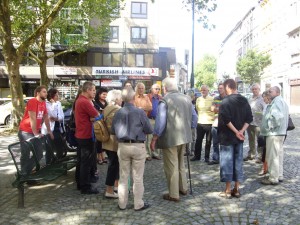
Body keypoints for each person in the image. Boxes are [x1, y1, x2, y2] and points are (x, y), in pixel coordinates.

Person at [150, 77, 197, 202]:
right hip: (184, 136)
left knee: (171, 166)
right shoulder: (186, 98)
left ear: (165, 88)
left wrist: (154, 138)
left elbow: (160, 122)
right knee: (181, 163)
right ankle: (183, 188)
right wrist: (189, 128)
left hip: (170, 137)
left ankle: (174, 194)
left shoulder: (165, 100)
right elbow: (194, 117)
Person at [111, 87, 153, 211]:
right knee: (138, 177)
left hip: (123, 145)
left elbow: (113, 131)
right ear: (133, 97)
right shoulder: (140, 112)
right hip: (137, 145)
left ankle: (122, 204)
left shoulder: (118, 112)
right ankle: (138, 204)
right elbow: (149, 129)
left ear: (123, 99)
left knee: (123, 177)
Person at [218, 79, 252, 199]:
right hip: (239, 137)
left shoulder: (225, 101)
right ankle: (237, 189)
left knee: (227, 162)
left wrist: (237, 131)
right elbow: (249, 118)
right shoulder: (244, 100)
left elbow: (226, 119)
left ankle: (228, 190)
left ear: (228, 87)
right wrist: (241, 131)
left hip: (227, 137)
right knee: (238, 161)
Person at [18, 85, 54, 175]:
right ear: (38, 93)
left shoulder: (43, 103)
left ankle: (24, 172)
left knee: (39, 153)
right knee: (25, 154)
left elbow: (46, 117)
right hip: (25, 131)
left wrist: (49, 131)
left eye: (46, 92)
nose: (46, 93)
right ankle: (24, 176)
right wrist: (35, 133)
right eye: (44, 92)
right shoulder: (33, 101)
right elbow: (32, 118)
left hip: (34, 132)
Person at [75, 81, 102, 194]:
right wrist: (96, 117)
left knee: (81, 161)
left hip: (81, 134)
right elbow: (97, 115)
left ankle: (80, 183)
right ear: (88, 90)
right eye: (93, 90)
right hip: (86, 135)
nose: (95, 92)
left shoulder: (80, 100)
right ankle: (85, 186)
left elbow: (92, 117)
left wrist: (92, 118)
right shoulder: (85, 102)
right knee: (86, 162)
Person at [260, 85, 289, 185]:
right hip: (280, 133)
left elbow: (278, 117)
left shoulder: (276, 102)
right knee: (278, 155)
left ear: (277, 93)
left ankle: (273, 178)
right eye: (269, 91)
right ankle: (279, 175)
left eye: (271, 91)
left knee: (273, 156)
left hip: (274, 133)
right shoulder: (282, 101)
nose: (269, 93)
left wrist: (269, 126)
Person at [102, 90, 122, 199]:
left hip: (107, 140)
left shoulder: (106, 108)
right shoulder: (117, 110)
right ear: (116, 99)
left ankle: (115, 185)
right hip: (115, 141)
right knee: (113, 165)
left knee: (114, 164)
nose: (122, 100)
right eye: (120, 98)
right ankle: (109, 190)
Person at [191, 85, 214, 163]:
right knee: (198, 140)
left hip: (209, 123)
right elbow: (197, 109)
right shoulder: (198, 99)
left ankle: (206, 157)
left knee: (208, 141)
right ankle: (197, 156)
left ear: (208, 90)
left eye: (205, 90)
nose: (203, 91)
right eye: (202, 90)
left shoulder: (212, 99)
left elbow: (215, 110)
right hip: (200, 122)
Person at [244, 83, 265, 162]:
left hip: (259, 123)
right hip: (250, 123)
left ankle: (260, 156)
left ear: (259, 89)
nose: (254, 90)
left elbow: (265, 110)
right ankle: (251, 154)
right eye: (253, 89)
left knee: (259, 140)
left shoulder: (262, 99)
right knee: (251, 140)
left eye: (256, 89)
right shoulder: (250, 99)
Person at [41, 88, 65, 159]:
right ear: (52, 96)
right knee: (49, 149)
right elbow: (53, 115)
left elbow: (61, 116)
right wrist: (54, 105)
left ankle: (58, 162)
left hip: (58, 128)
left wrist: (57, 118)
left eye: (58, 95)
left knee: (60, 147)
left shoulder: (58, 103)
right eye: (56, 95)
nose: (58, 97)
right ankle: (49, 163)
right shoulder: (46, 103)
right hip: (49, 128)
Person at [134, 82, 153, 161]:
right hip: (135, 120)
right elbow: (134, 108)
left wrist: (140, 108)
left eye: (142, 88)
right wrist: (143, 108)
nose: (141, 90)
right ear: (136, 89)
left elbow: (150, 107)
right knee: (136, 138)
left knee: (144, 139)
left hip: (144, 120)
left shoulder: (146, 97)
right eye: (139, 88)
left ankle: (144, 155)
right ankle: (136, 154)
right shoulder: (133, 97)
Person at [208, 83, 226, 165]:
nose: (219, 89)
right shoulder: (215, 98)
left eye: (221, 88)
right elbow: (211, 109)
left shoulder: (227, 98)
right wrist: (221, 109)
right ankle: (216, 159)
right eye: (219, 88)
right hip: (215, 123)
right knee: (215, 143)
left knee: (224, 143)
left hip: (225, 124)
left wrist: (217, 108)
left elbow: (228, 110)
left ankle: (223, 159)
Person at [146, 83, 162, 160]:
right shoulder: (148, 97)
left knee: (157, 137)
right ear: (152, 89)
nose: (157, 90)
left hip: (158, 119)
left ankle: (156, 153)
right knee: (149, 137)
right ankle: (148, 154)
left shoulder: (160, 98)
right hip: (150, 119)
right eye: (156, 88)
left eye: (159, 89)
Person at [94, 87, 108, 165]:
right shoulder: (95, 102)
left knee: (103, 140)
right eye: (103, 94)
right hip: (98, 123)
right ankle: (99, 157)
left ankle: (103, 156)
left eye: (106, 94)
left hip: (105, 123)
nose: (105, 96)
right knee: (98, 140)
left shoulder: (106, 102)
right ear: (99, 94)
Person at [258, 90, 271, 176]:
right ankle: (265, 167)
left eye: (264, 98)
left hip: (268, 132)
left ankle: (266, 168)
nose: (263, 100)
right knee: (264, 150)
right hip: (264, 131)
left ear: (268, 97)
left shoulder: (270, 106)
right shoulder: (266, 106)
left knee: (267, 151)